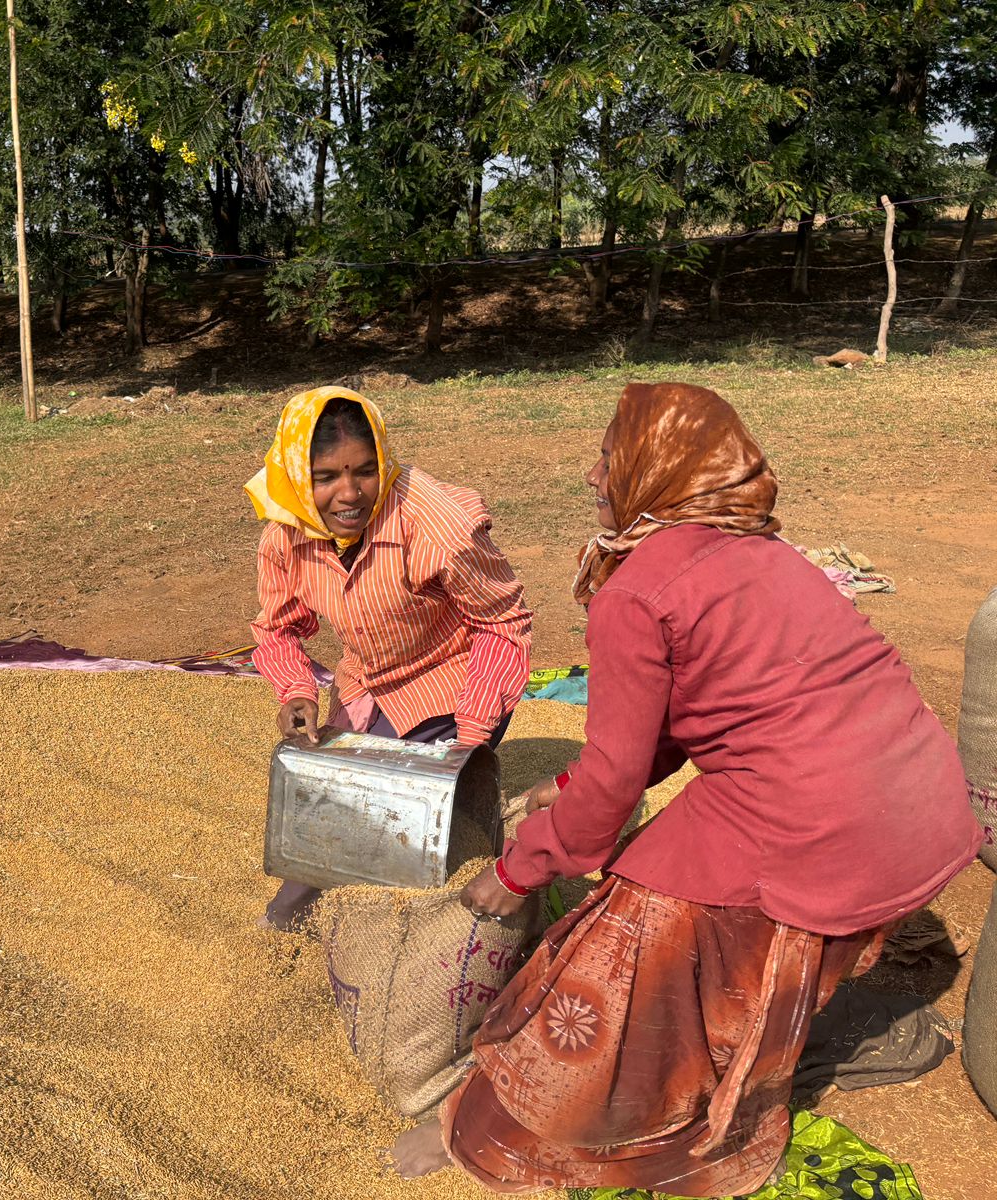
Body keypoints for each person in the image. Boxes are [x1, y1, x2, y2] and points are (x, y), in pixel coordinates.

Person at [391, 382, 982, 1195]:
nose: (594, 476)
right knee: (679, 876)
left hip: (827, 826)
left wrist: (519, 868)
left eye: (609, 456)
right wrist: (563, 788)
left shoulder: (637, 589)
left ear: (658, 468)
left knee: (622, 934)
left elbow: (611, 795)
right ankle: (813, 1023)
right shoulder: (759, 554)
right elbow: (664, 730)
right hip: (919, 815)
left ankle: (520, 1132)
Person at [246, 386, 532, 931]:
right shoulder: (285, 536)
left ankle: (301, 923)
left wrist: (469, 741)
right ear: (296, 478)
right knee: (334, 802)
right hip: (370, 681)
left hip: (457, 678)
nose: (349, 493)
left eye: (364, 471)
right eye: (326, 477)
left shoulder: (436, 523)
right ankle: (302, 926)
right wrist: (298, 693)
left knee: (390, 815)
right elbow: (277, 629)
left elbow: (502, 624)